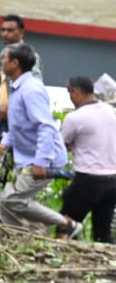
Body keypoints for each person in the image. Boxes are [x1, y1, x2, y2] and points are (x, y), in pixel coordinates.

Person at [0, 43, 77, 237]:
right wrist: (6, 142)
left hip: (42, 158)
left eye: (4, 58)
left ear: (15, 63)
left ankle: (66, 224)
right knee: (7, 205)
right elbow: (21, 124)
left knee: (12, 201)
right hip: (27, 156)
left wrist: (41, 163)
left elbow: (45, 127)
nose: (1, 62)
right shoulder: (17, 87)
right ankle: (16, 237)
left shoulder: (31, 90)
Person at [0, 13, 42, 198]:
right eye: (2, 29)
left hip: (19, 122)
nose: (5, 34)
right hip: (5, 121)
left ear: (21, 31)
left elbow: (32, 86)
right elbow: (1, 84)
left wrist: (13, 105)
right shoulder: (3, 54)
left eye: (10, 30)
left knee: (0, 162)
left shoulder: (29, 56)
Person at [60, 76, 116, 243]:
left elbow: (62, 144)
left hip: (88, 180)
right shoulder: (110, 111)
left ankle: (63, 264)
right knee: (103, 233)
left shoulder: (75, 117)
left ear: (75, 92)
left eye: (69, 93)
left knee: (66, 226)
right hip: (113, 179)